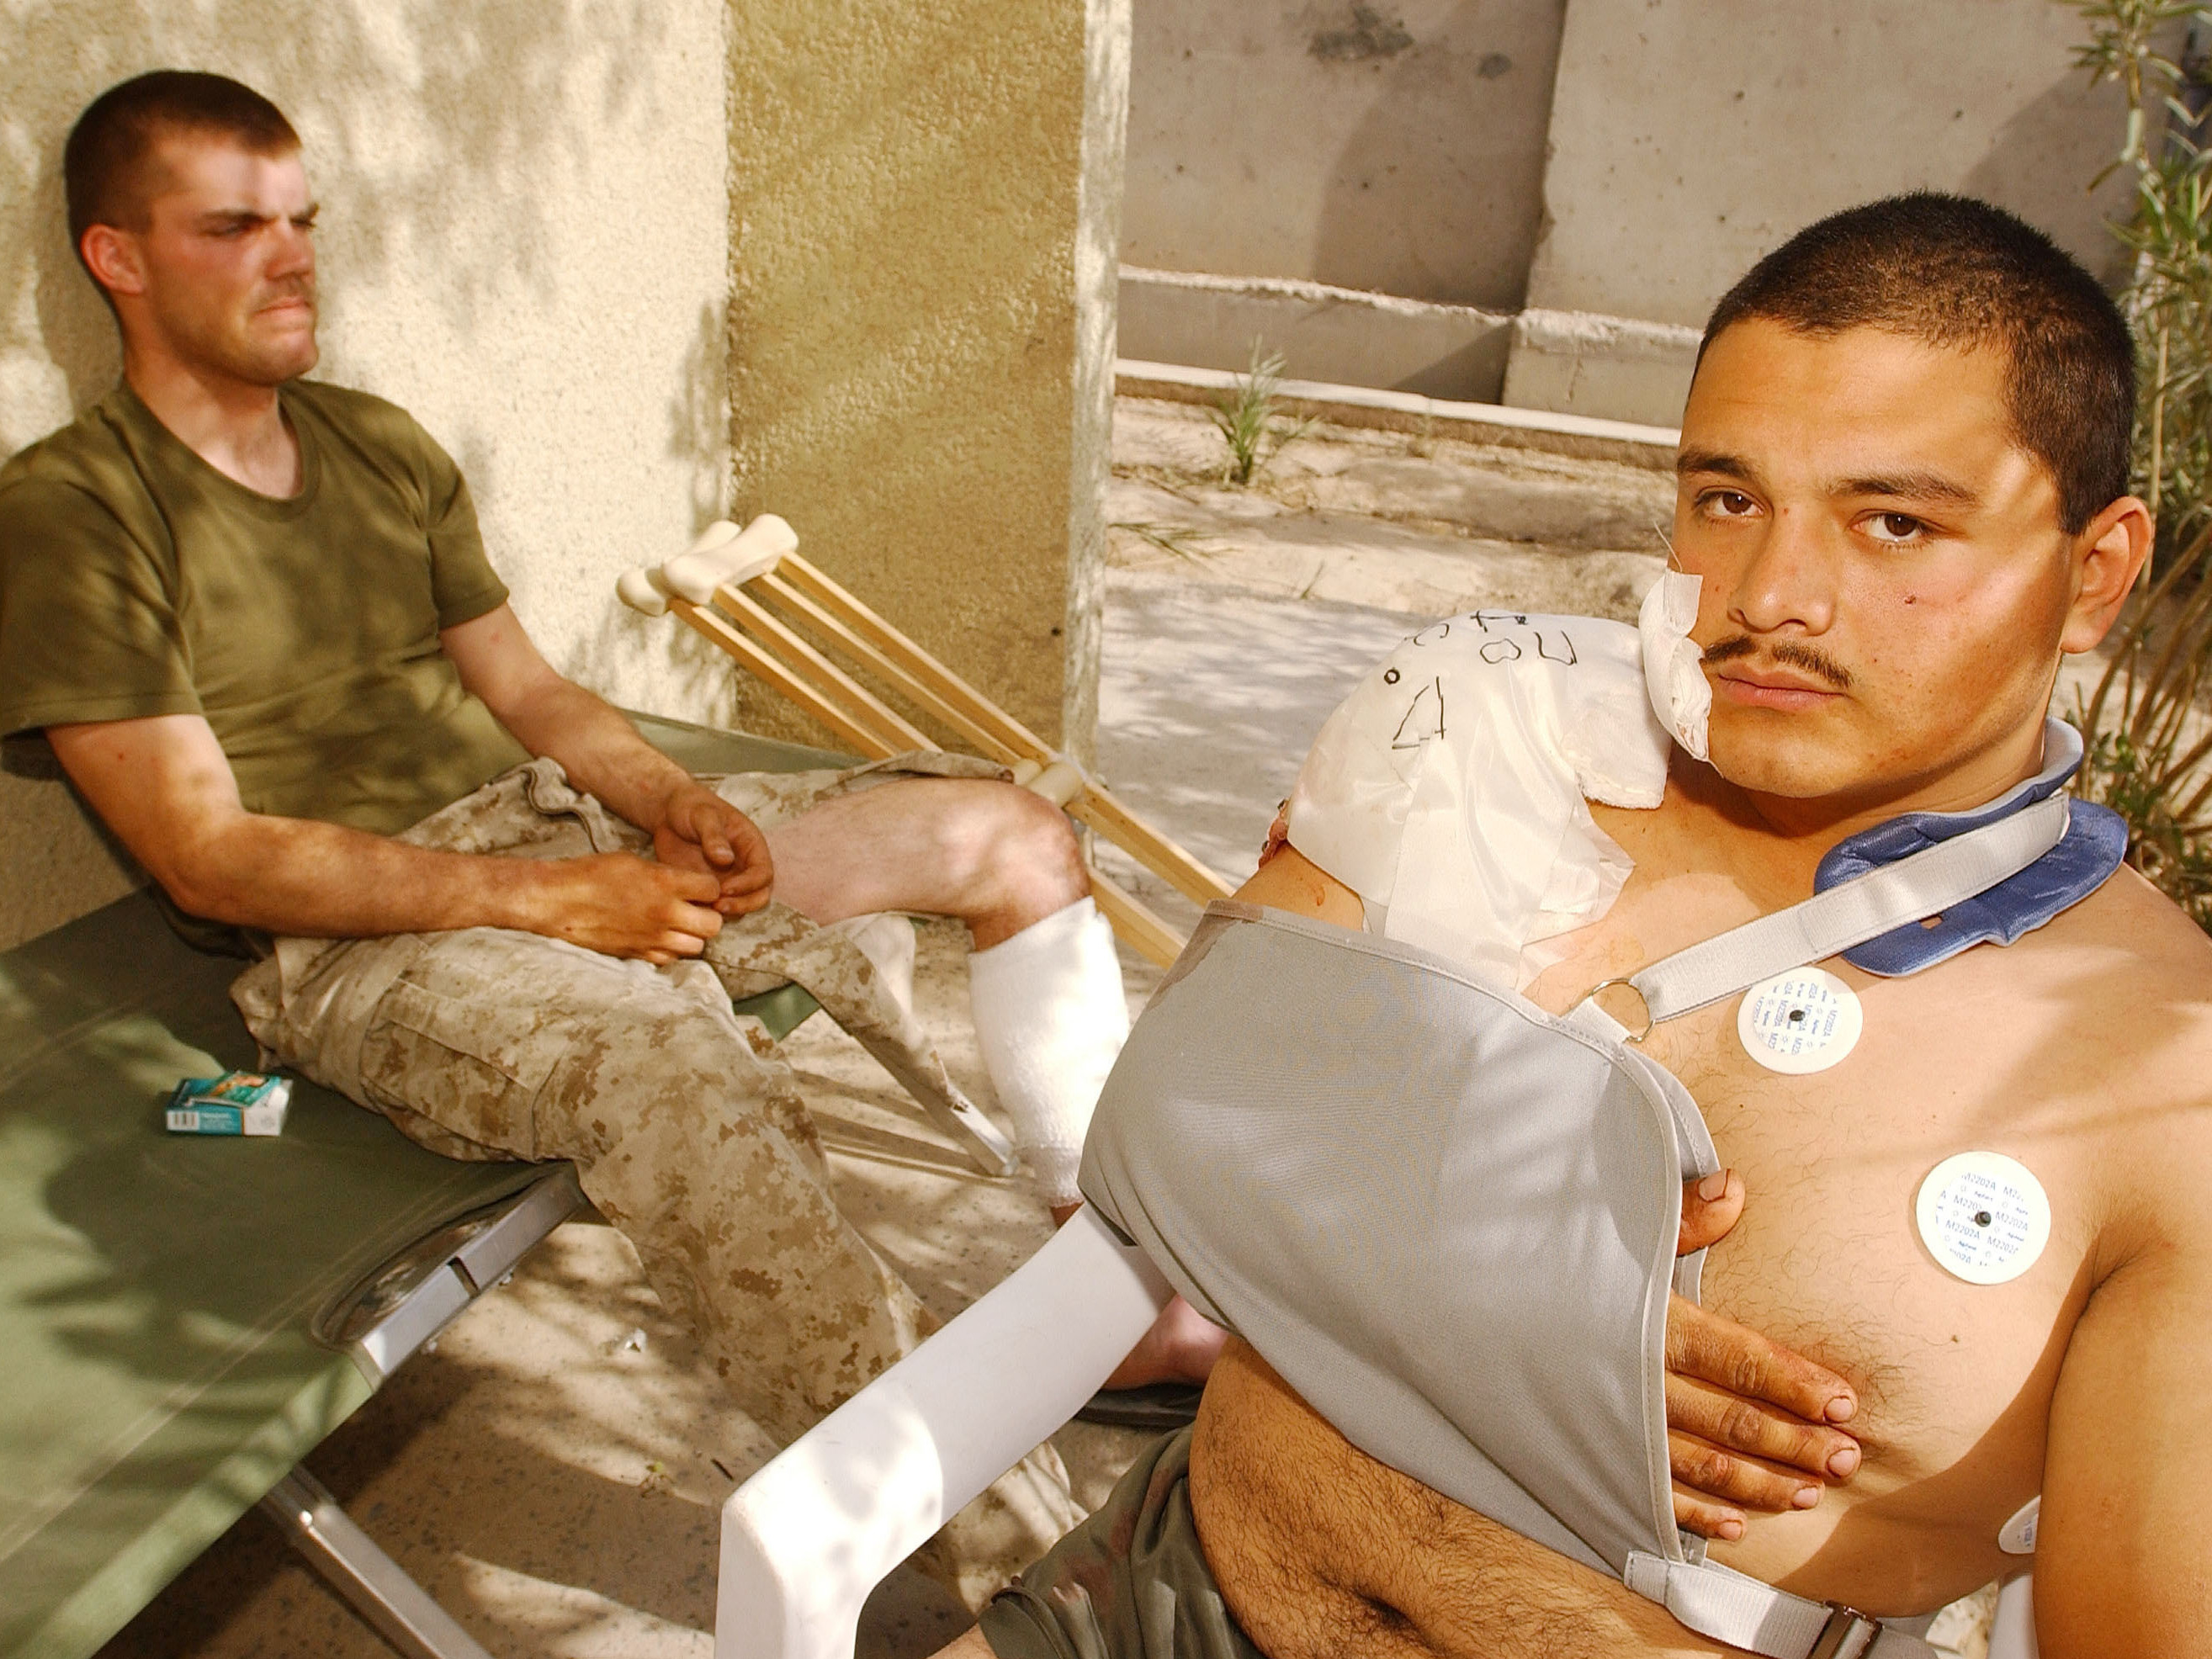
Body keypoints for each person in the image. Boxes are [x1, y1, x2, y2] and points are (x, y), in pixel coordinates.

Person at [947, 193, 2212, 1657]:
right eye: (1726, 499)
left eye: (1892, 523)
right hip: (1159, 1593)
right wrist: (1488, 1304)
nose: (1766, 600)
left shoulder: (2166, 1090)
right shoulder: (1498, 745)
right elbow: (1165, 1134)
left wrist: (1376, 1246)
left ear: (2095, 576)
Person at [0, 68, 1173, 1603]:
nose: (293, 258)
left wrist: (674, 804)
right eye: (235, 228)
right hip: (360, 948)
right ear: (121, 261)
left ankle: (1109, 1267)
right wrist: (564, 905)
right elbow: (210, 858)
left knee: (1004, 837)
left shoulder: (374, 442)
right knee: (672, 1068)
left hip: (546, 835)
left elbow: (534, 692)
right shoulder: (74, 511)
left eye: (304, 222)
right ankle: (965, 1560)